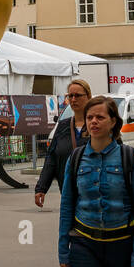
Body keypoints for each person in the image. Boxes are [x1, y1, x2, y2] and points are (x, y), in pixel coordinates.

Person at [58, 95, 134, 267]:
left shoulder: (129, 158)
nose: (94, 122)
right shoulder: (75, 159)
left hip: (122, 245)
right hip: (84, 244)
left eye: (100, 117)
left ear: (113, 121)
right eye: (90, 117)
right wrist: (63, 250)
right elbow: (67, 205)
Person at [35, 80, 93, 209]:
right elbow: (51, 158)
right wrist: (41, 188)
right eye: (70, 96)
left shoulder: (96, 125)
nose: (73, 99)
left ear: (88, 97)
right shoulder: (63, 126)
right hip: (68, 191)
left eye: (77, 96)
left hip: (95, 194)